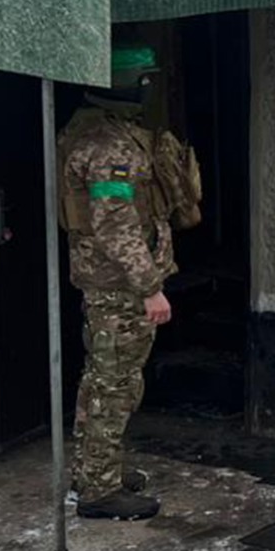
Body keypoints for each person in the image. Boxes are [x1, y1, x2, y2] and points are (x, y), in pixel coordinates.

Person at [57, 45, 179, 521]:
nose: (148, 88)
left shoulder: (91, 129)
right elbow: (116, 225)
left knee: (100, 378)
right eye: (143, 80)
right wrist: (149, 286)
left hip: (105, 279)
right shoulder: (109, 146)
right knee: (115, 383)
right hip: (119, 284)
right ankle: (99, 492)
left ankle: (94, 470)